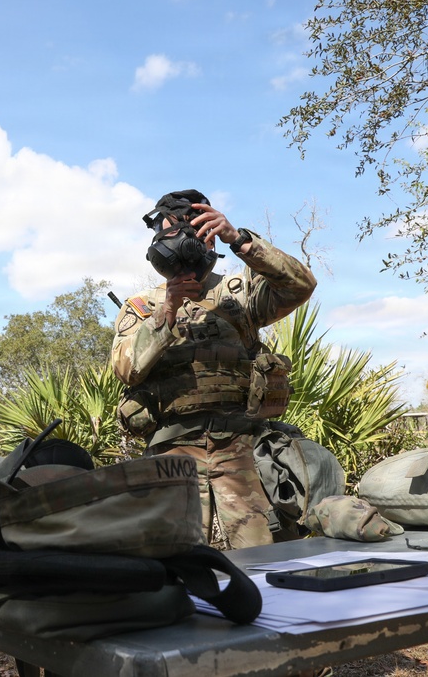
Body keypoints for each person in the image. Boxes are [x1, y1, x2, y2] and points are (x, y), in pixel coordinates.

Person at [111, 189, 316, 551]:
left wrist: (239, 240)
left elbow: (301, 285)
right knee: (177, 562)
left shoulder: (237, 292)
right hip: (173, 453)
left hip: (241, 448)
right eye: (166, 231)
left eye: (183, 229)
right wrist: (167, 311)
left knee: (261, 558)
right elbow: (126, 369)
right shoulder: (141, 307)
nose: (173, 240)